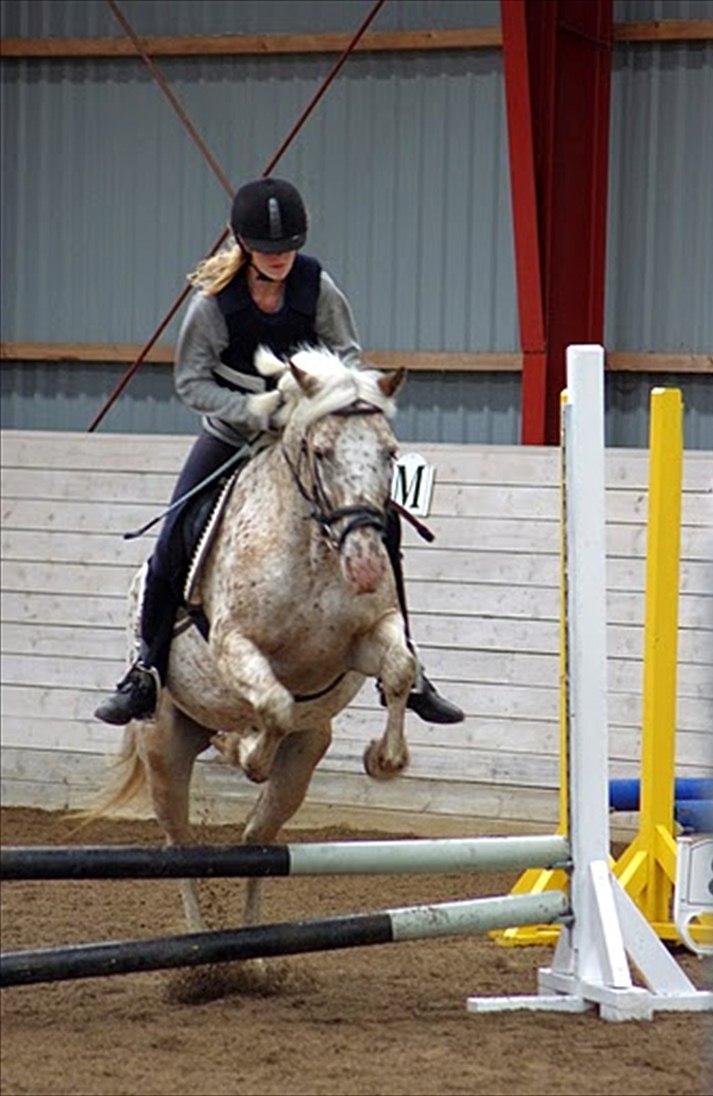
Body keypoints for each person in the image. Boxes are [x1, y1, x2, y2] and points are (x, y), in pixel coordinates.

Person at [94, 178, 464, 727]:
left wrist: (318, 396)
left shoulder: (317, 286)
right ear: (245, 246)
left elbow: (347, 351)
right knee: (175, 531)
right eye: (268, 251)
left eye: (287, 248)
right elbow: (192, 382)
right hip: (234, 433)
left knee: (382, 522)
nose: (279, 259)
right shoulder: (215, 304)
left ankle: (412, 668)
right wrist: (256, 410)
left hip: (312, 427)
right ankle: (145, 670)